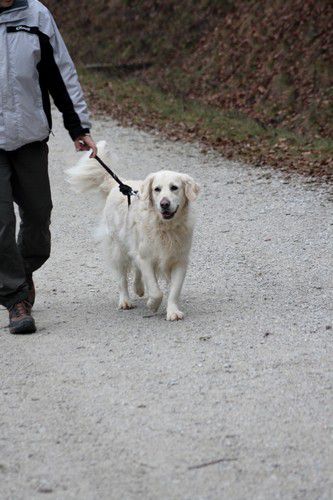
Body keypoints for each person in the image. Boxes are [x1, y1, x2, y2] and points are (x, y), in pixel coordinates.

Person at [0, 0, 97, 334]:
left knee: (39, 215)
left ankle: (20, 273)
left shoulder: (36, 15)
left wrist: (77, 127)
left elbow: (60, 72)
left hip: (29, 136)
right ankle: (16, 300)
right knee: (0, 223)